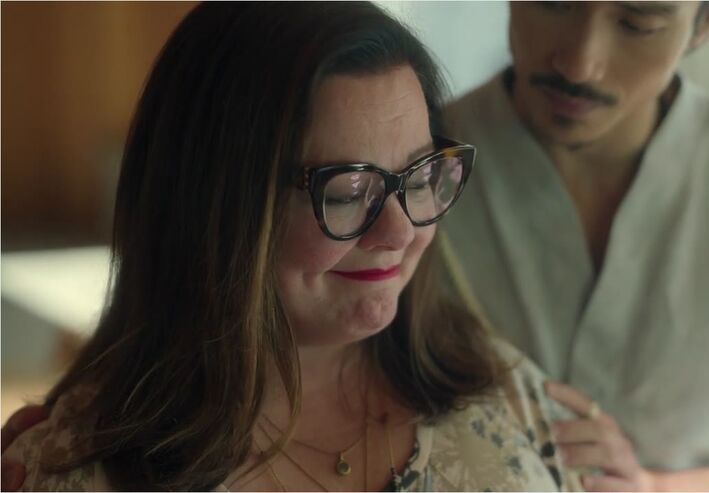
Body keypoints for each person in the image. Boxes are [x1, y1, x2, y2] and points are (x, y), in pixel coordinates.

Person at [1, 3, 584, 491]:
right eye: (348, 191)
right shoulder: (70, 472)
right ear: (216, 206)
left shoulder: (498, 384)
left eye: (418, 175)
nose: (400, 232)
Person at [438, 1, 709, 491]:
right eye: (555, 3)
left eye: (637, 24)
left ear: (706, 22)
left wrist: (660, 488)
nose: (579, 64)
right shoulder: (417, 176)